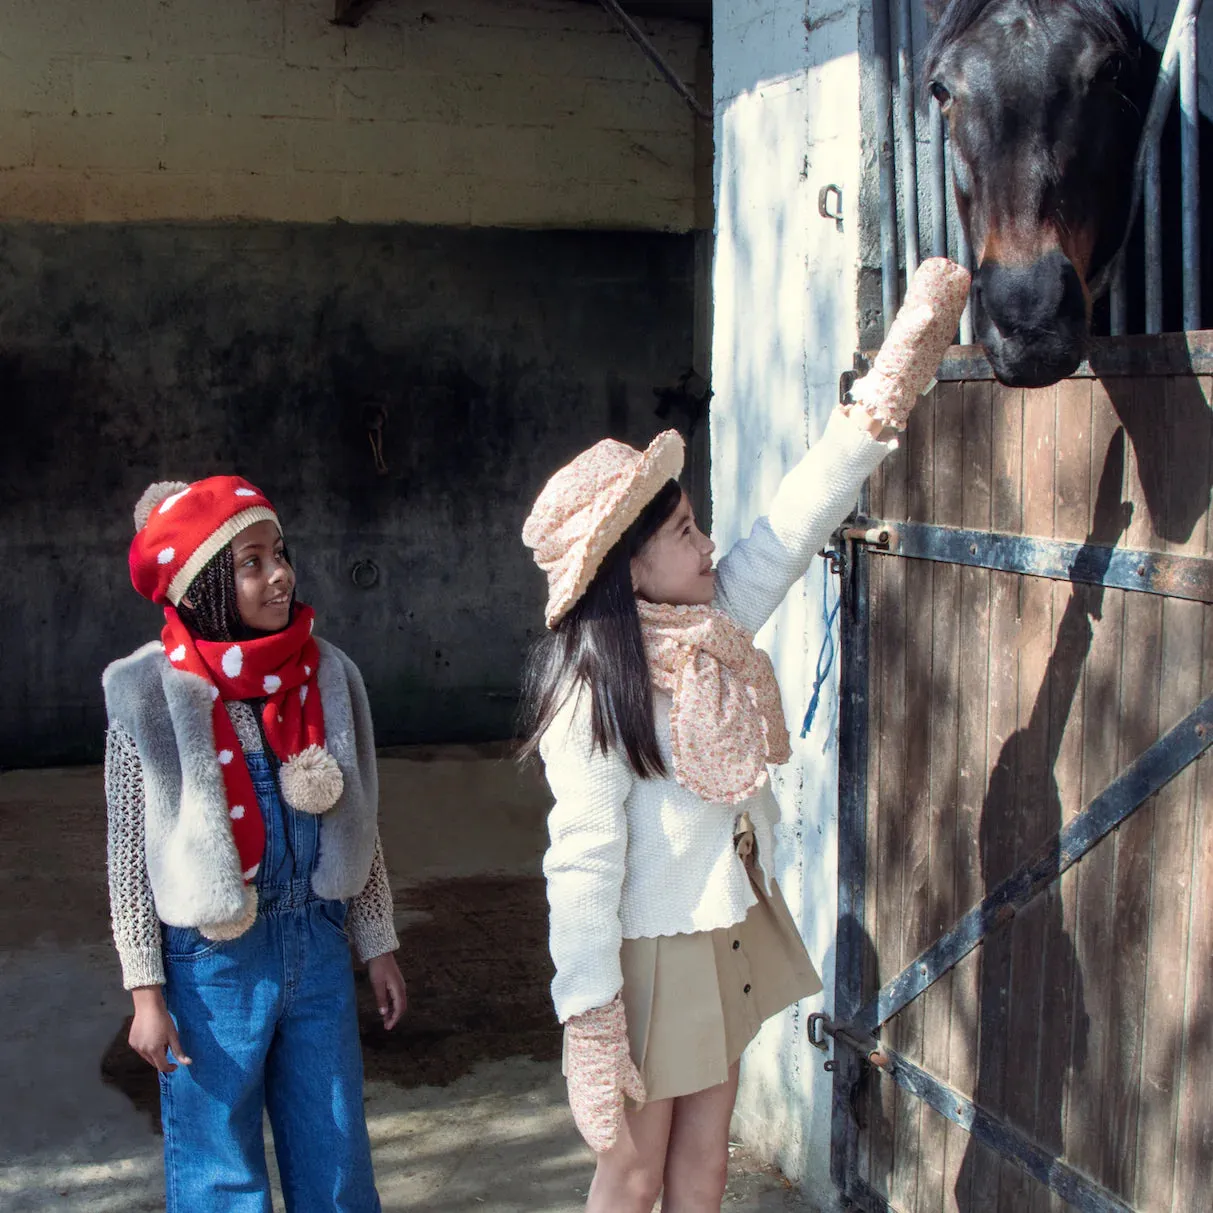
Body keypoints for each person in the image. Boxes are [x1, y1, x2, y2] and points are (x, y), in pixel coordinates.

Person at [519, 259, 971, 1212]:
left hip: (717, 930)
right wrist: (588, 1017)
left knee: (705, 1168)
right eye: (683, 532)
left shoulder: (714, 628)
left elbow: (792, 523)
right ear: (627, 572)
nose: (707, 542)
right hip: (639, 959)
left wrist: (890, 381)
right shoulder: (592, 691)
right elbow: (583, 860)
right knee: (631, 1171)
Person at [102, 474, 406, 1213]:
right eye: (250, 562)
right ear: (205, 582)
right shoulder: (148, 691)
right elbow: (127, 856)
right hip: (213, 967)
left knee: (334, 1157)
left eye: (280, 553)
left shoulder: (329, 672)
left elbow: (357, 815)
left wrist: (378, 939)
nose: (279, 574)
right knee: (219, 1172)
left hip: (317, 945)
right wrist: (146, 991)